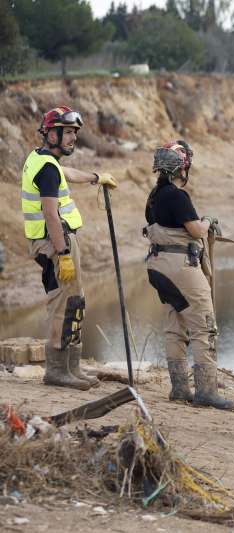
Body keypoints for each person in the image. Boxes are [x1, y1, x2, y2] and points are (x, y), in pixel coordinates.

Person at [21, 106, 118, 390]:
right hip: (55, 242)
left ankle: (72, 367)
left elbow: (67, 173)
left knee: (75, 299)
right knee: (63, 303)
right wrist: (63, 254)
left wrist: (95, 177)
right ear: (51, 133)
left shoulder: (42, 159)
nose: (72, 138)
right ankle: (56, 370)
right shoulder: (47, 169)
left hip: (57, 239)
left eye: (75, 133)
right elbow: (51, 214)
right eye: (67, 133)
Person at [144, 140, 234, 411]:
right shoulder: (176, 195)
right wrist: (208, 222)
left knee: (176, 320)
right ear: (183, 167)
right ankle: (206, 391)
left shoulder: (154, 195)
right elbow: (195, 231)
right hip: (180, 264)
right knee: (204, 324)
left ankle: (180, 388)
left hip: (158, 265)